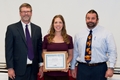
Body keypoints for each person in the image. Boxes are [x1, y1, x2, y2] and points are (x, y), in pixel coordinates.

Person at [70, 9, 117, 80]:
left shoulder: (106, 33)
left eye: (93, 18)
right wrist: (72, 67)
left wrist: (111, 68)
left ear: (97, 20)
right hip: (83, 68)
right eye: (88, 18)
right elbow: (75, 52)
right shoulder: (79, 34)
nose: (90, 20)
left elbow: (112, 51)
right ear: (85, 20)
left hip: (100, 69)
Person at [5, 3, 43, 80]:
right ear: (20, 13)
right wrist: (10, 68)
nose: (26, 14)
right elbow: (8, 50)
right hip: (17, 71)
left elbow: (39, 49)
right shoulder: (12, 29)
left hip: (33, 70)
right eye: (23, 11)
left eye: (28, 11)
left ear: (31, 13)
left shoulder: (37, 29)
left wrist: (41, 65)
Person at [41, 14, 73, 80]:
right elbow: (43, 53)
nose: (58, 24)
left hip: (63, 73)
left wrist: (65, 64)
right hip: (49, 73)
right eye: (56, 22)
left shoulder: (69, 38)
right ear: (53, 24)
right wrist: (46, 63)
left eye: (60, 22)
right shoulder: (46, 38)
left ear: (63, 24)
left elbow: (70, 55)